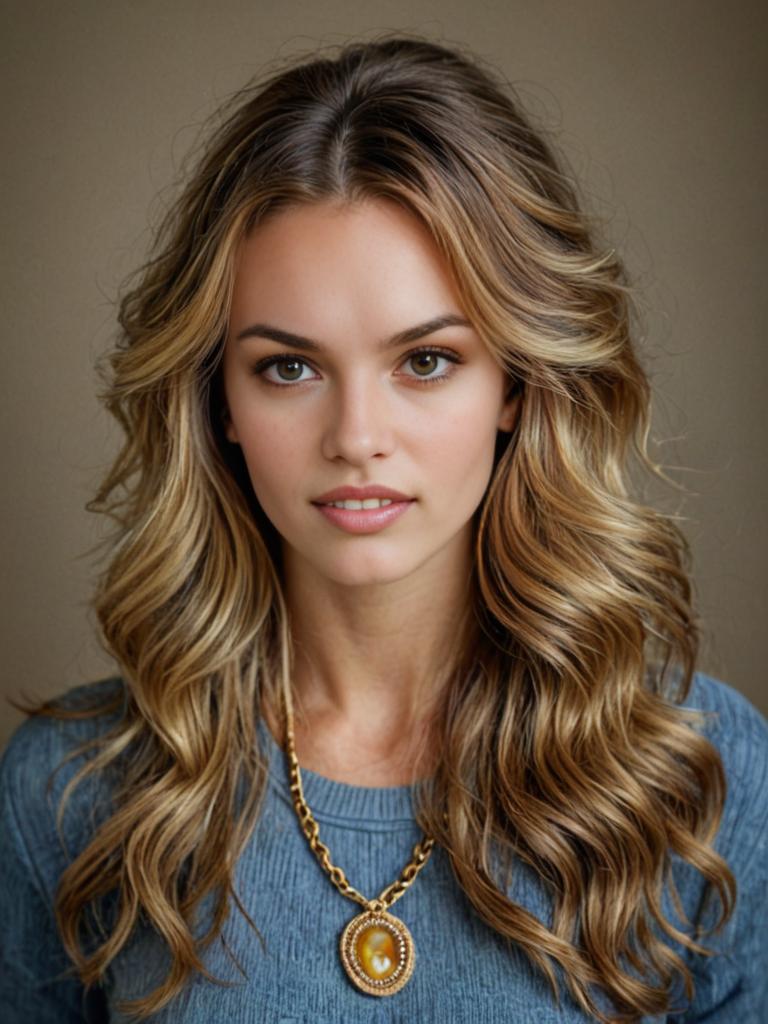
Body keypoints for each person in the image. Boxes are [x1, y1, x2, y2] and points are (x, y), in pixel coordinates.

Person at [0, 33, 765, 1024]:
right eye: (289, 367)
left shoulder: (700, 772)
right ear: (219, 402)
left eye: (427, 361)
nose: (357, 438)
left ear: (517, 383)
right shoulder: (73, 793)